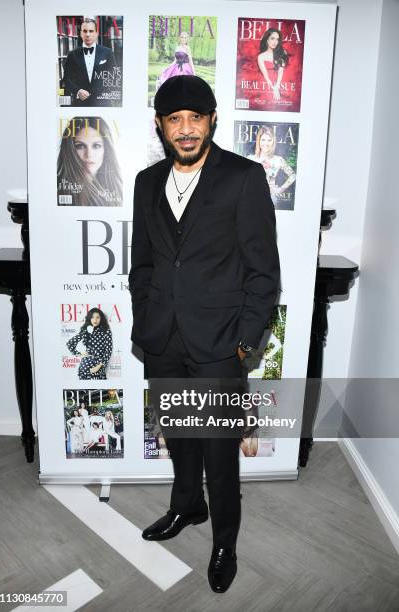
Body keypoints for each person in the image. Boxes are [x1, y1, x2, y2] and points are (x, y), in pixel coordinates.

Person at [129, 75, 280, 593]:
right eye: (175, 119)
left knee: (219, 449)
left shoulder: (243, 177)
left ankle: (224, 541)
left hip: (219, 343)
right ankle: (186, 507)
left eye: (196, 118)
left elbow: (264, 272)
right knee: (180, 438)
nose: (187, 129)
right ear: (161, 125)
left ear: (213, 119)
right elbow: (142, 264)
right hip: (162, 338)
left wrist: (245, 343)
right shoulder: (147, 182)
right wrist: (145, 318)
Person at [57, 116, 122, 206]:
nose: (89, 155)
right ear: (69, 149)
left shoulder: (118, 189)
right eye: (80, 146)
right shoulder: (56, 189)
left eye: (96, 146)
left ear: (106, 150)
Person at [63, 18, 117, 106]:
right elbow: (67, 79)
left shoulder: (108, 53)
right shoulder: (72, 55)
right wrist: (78, 91)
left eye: (91, 31)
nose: (87, 34)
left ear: (96, 33)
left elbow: (114, 77)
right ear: (80, 33)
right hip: (80, 105)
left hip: (103, 105)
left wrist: (104, 95)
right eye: (84, 31)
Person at [247, 126, 296, 206]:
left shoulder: (278, 160)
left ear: (273, 142)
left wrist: (280, 189)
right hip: (251, 198)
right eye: (263, 140)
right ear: (259, 141)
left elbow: (293, 175)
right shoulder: (250, 159)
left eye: (269, 140)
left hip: (270, 199)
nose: (266, 143)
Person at [66, 308, 113, 380]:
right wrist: (79, 354)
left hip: (99, 364)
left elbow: (108, 350)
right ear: (89, 319)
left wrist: (99, 366)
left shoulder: (106, 331)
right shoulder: (86, 330)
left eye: (97, 317)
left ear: (101, 319)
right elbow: (70, 343)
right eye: (92, 317)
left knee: (98, 388)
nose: (95, 320)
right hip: (85, 365)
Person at [257, 28, 289, 102]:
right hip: (266, 83)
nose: (275, 42)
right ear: (267, 40)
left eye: (277, 39)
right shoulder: (261, 56)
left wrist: (277, 86)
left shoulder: (282, 54)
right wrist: (273, 88)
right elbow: (265, 75)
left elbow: (281, 72)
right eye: (272, 38)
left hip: (279, 83)